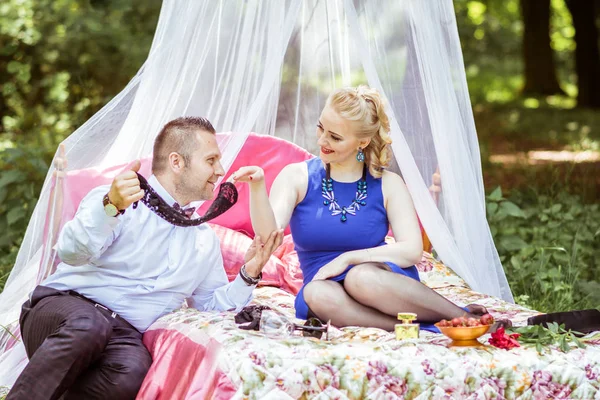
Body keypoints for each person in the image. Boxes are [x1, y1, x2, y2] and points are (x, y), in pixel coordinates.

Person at [7, 117, 283, 400]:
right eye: (211, 160)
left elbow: (209, 305)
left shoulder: (204, 239)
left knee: (131, 374)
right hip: (62, 309)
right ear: (177, 162)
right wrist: (110, 208)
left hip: (122, 333)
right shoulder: (117, 199)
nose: (221, 170)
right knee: (89, 326)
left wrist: (249, 273)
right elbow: (71, 252)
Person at [231, 86, 496, 332]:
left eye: (335, 137)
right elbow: (268, 235)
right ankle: (420, 327)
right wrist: (257, 187)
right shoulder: (296, 177)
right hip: (326, 285)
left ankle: (465, 317)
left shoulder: (389, 184)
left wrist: (348, 259)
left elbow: (412, 251)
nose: (323, 140)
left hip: (379, 278)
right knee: (314, 294)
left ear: (362, 142)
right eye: (321, 128)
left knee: (361, 277)